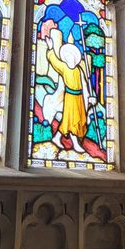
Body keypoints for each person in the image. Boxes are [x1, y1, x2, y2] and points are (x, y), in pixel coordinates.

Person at [42, 25, 95, 154]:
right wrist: (50, 48)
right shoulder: (64, 68)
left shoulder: (79, 70)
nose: (71, 59)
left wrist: (90, 98)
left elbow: (84, 86)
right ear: (65, 58)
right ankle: (75, 144)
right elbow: (54, 61)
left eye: (73, 57)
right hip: (70, 97)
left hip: (79, 99)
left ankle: (56, 138)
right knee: (72, 121)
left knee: (75, 120)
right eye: (68, 57)